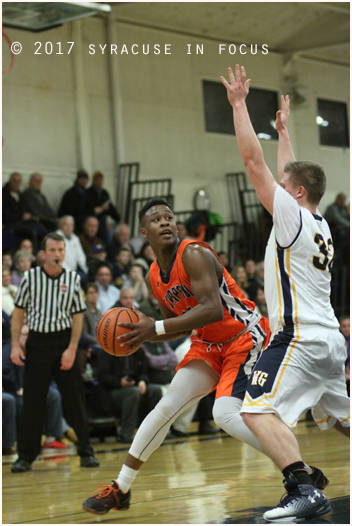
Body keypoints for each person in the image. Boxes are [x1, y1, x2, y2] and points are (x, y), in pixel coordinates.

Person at [82, 197, 273, 514]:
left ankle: (297, 470)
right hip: (208, 344)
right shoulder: (153, 276)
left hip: (243, 335)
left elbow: (210, 310)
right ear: (144, 231)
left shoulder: (195, 253)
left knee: (224, 414)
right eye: (156, 219)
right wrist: (143, 332)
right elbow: (180, 325)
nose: (165, 222)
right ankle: (120, 488)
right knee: (165, 407)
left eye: (169, 217)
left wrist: (153, 327)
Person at [221, 64, 350, 521]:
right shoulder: (319, 222)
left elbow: (255, 163)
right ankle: (304, 480)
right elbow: (288, 172)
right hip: (331, 340)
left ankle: (303, 488)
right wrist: (285, 131)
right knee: (342, 420)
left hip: (300, 338)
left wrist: (239, 106)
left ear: (294, 193)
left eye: (285, 185)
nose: (275, 187)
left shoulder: (291, 217)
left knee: (254, 411)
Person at [10, 232, 99, 472]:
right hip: (37, 343)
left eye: (60, 250)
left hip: (63, 342)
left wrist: (71, 348)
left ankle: (86, 452)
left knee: (75, 401)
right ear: (43, 253)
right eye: (52, 250)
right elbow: (18, 313)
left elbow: (77, 315)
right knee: (32, 402)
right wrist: (16, 344)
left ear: (64, 252)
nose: (57, 254)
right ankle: (25, 457)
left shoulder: (72, 278)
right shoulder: (29, 278)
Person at [96, 346, 162, 444]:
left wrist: (142, 381)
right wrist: (119, 382)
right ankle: (126, 434)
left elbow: (144, 371)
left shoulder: (138, 349)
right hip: (113, 392)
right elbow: (102, 376)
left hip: (135, 387)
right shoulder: (108, 350)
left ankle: (153, 433)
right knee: (133, 392)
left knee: (156, 390)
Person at [84, 171, 120, 244]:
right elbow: (89, 209)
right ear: (93, 180)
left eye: (100, 180)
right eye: (97, 179)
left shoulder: (104, 193)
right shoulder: (88, 192)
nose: (99, 182)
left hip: (105, 219)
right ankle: (106, 246)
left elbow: (110, 208)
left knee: (119, 228)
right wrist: (101, 208)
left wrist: (118, 219)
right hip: (95, 218)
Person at [21, 173, 58, 243]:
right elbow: (33, 210)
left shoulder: (41, 196)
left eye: (40, 181)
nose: (38, 183)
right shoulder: (27, 194)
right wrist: (47, 219)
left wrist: (54, 217)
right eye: (36, 181)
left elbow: (48, 209)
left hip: (44, 221)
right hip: (34, 222)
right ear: (31, 182)